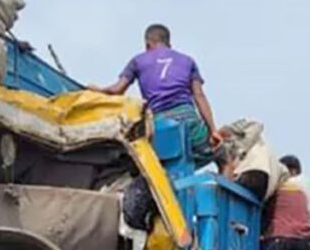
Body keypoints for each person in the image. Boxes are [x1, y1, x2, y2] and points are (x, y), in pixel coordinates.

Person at [89, 24, 219, 169]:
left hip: (158, 123)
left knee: (160, 166)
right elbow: (199, 96)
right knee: (223, 156)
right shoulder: (187, 60)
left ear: (147, 44)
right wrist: (213, 130)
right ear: (169, 44)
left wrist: (98, 90)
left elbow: (117, 90)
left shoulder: (138, 61)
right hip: (188, 118)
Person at [215, 118, 285, 202]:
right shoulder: (268, 155)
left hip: (253, 174)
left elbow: (257, 125)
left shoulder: (241, 140)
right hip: (262, 189)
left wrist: (219, 132)